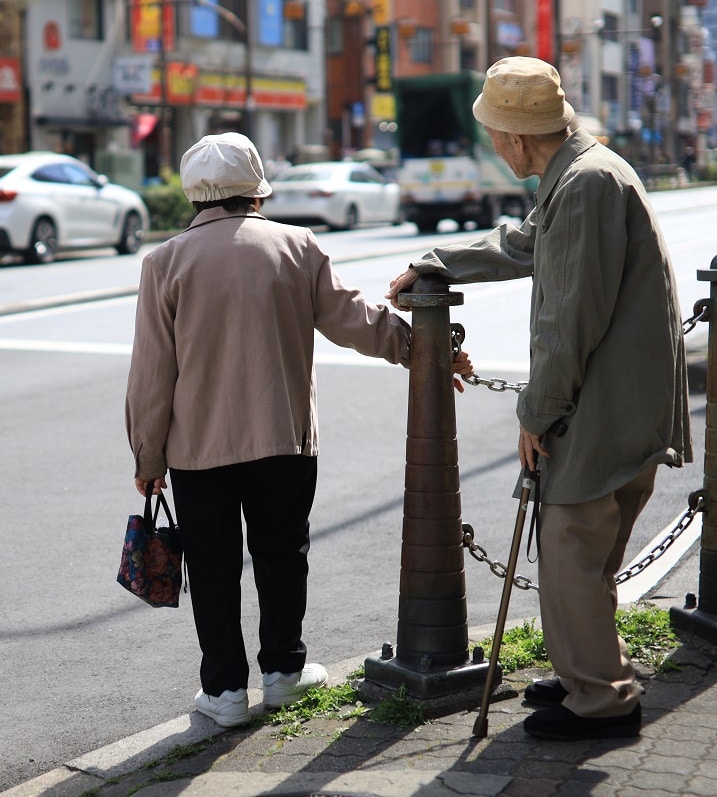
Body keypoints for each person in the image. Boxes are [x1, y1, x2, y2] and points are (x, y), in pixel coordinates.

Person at [386, 56, 692, 742]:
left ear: (519, 138)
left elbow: (568, 322)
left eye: (495, 134)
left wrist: (536, 412)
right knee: (584, 548)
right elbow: (528, 244)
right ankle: (587, 671)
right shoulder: (584, 172)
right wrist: (442, 260)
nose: (493, 147)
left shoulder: (582, 186)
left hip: (607, 399)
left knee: (569, 541)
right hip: (623, 392)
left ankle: (603, 700)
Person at [126, 132, 472, 729]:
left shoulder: (164, 263)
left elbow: (152, 374)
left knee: (212, 568)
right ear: (256, 188)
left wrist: (147, 456)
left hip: (196, 449)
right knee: (283, 555)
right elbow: (353, 319)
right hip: (283, 437)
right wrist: (421, 346)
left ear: (193, 195)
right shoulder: (295, 246)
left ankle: (225, 692)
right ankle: (284, 673)